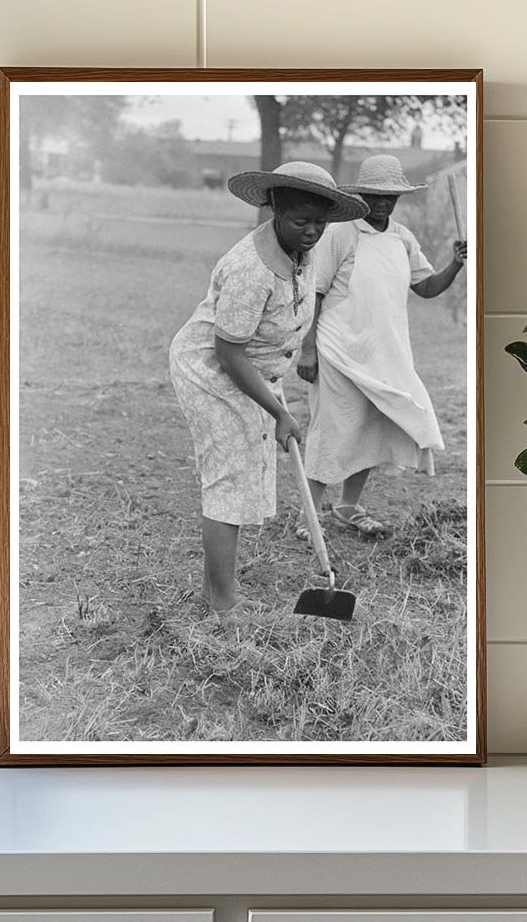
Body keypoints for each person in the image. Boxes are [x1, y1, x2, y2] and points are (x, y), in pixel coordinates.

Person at [169, 162, 368, 613]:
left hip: (254, 370)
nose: (313, 232)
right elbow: (228, 352)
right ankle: (220, 604)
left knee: (245, 474)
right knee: (230, 479)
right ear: (274, 210)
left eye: (320, 222)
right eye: (301, 221)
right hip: (211, 371)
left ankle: (217, 592)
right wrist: (280, 412)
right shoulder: (249, 269)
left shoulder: (304, 247)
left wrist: (275, 396)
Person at [296, 155, 467, 539]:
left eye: (391, 196)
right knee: (333, 430)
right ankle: (308, 516)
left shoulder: (402, 237)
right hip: (338, 349)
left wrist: (454, 265)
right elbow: (316, 294)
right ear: (362, 195)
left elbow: (425, 288)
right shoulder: (342, 234)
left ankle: (347, 507)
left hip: (384, 352)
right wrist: (307, 350)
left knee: (370, 429)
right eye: (376, 195)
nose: (383, 203)